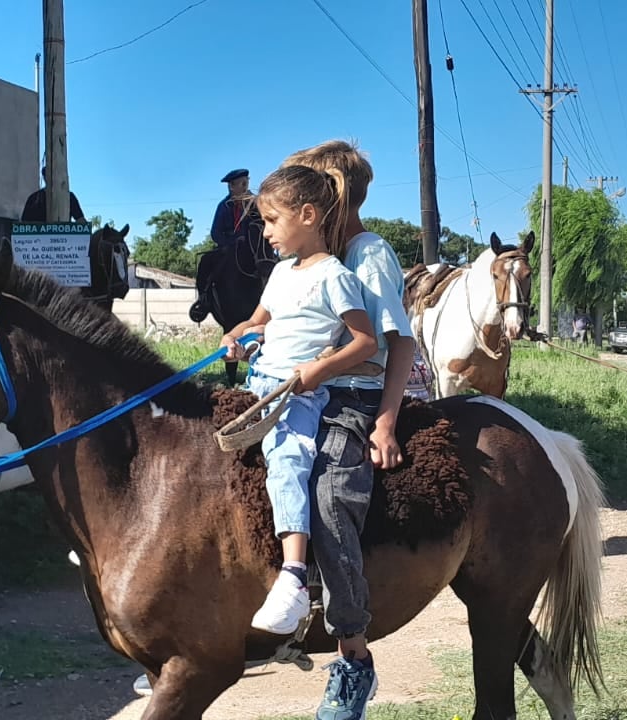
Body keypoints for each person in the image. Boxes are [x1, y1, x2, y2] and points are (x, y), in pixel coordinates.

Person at [283, 139, 415, 720]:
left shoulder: (369, 254)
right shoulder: (312, 262)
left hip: (357, 400)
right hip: (306, 390)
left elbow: (399, 343)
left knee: (332, 494)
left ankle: (352, 656)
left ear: (326, 199)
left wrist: (385, 421)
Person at [220, 165, 380, 636]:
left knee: (290, 458)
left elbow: (366, 343)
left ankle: (292, 577)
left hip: (296, 394)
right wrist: (237, 336)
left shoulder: (335, 277)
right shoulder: (279, 274)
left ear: (307, 215)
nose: (265, 231)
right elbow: (257, 324)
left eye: (272, 220)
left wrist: (318, 371)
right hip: (257, 382)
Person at [211, 168, 265, 251]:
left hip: (254, 247)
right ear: (231, 186)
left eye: (246, 184)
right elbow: (215, 233)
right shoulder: (223, 206)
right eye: (243, 184)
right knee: (207, 261)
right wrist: (232, 241)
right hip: (229, 249)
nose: (245, 188)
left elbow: (264, 224)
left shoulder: (255, 203)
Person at [20, 165, 86, 223]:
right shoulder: (34, 199)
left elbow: (80, 220)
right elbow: (23, 225)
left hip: (62, 236)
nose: (52, 178)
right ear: (44, 177)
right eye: (48, 175)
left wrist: (87, 233)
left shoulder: (69, 197)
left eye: (55, 175)